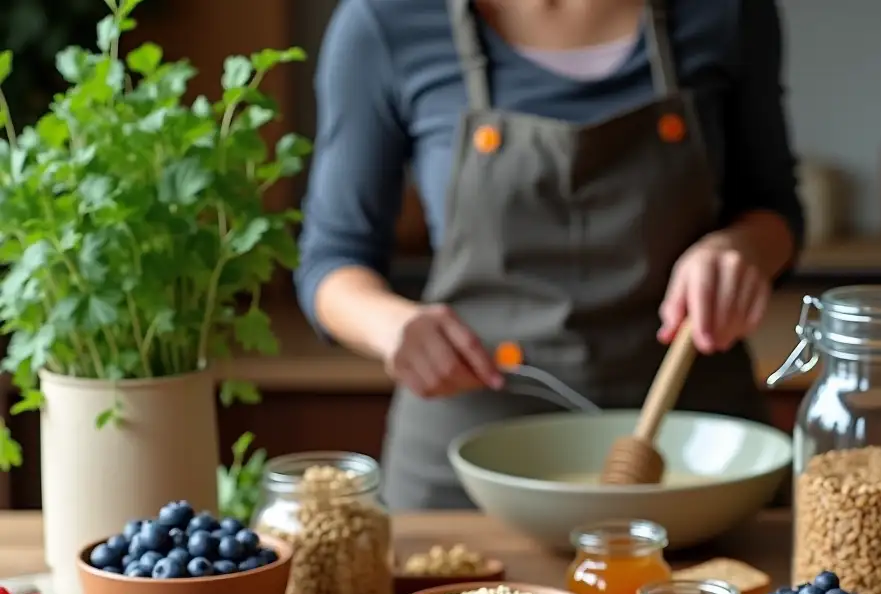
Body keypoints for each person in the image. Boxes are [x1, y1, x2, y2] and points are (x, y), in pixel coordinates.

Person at [297, 0, 803, 510]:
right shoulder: (386, 22)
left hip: (697, 451)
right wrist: (392, 326)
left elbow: (776, 212)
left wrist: (740, 248)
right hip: (463, 473)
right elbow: (332, 259)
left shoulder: (727, 12)